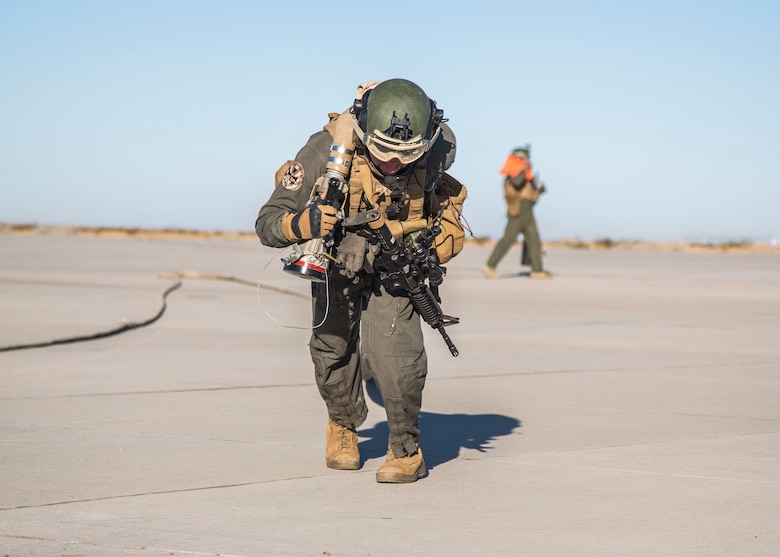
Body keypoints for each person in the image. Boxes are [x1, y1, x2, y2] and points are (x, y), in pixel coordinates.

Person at [255, 79, 467, 483]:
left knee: (396, 356)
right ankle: (343, 424)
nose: (392, 165)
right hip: (337, 262)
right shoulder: (325, 148)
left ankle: (405, 448)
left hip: (397, 263)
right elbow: (267, 223)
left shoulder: (439, 147)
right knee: (332, 349)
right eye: (382, 152)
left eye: (406, 155)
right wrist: (305, 223)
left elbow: (440, 199)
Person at [483, 144, 551, 279]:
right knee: (508, 239)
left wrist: (534, 181)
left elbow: (542, 188)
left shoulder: (527, 175)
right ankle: (490, 266)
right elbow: (517, 183)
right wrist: (524, 170)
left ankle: (537, 271)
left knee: (534, 240)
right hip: (518, 210)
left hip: (528, 209)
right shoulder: (513, 175)